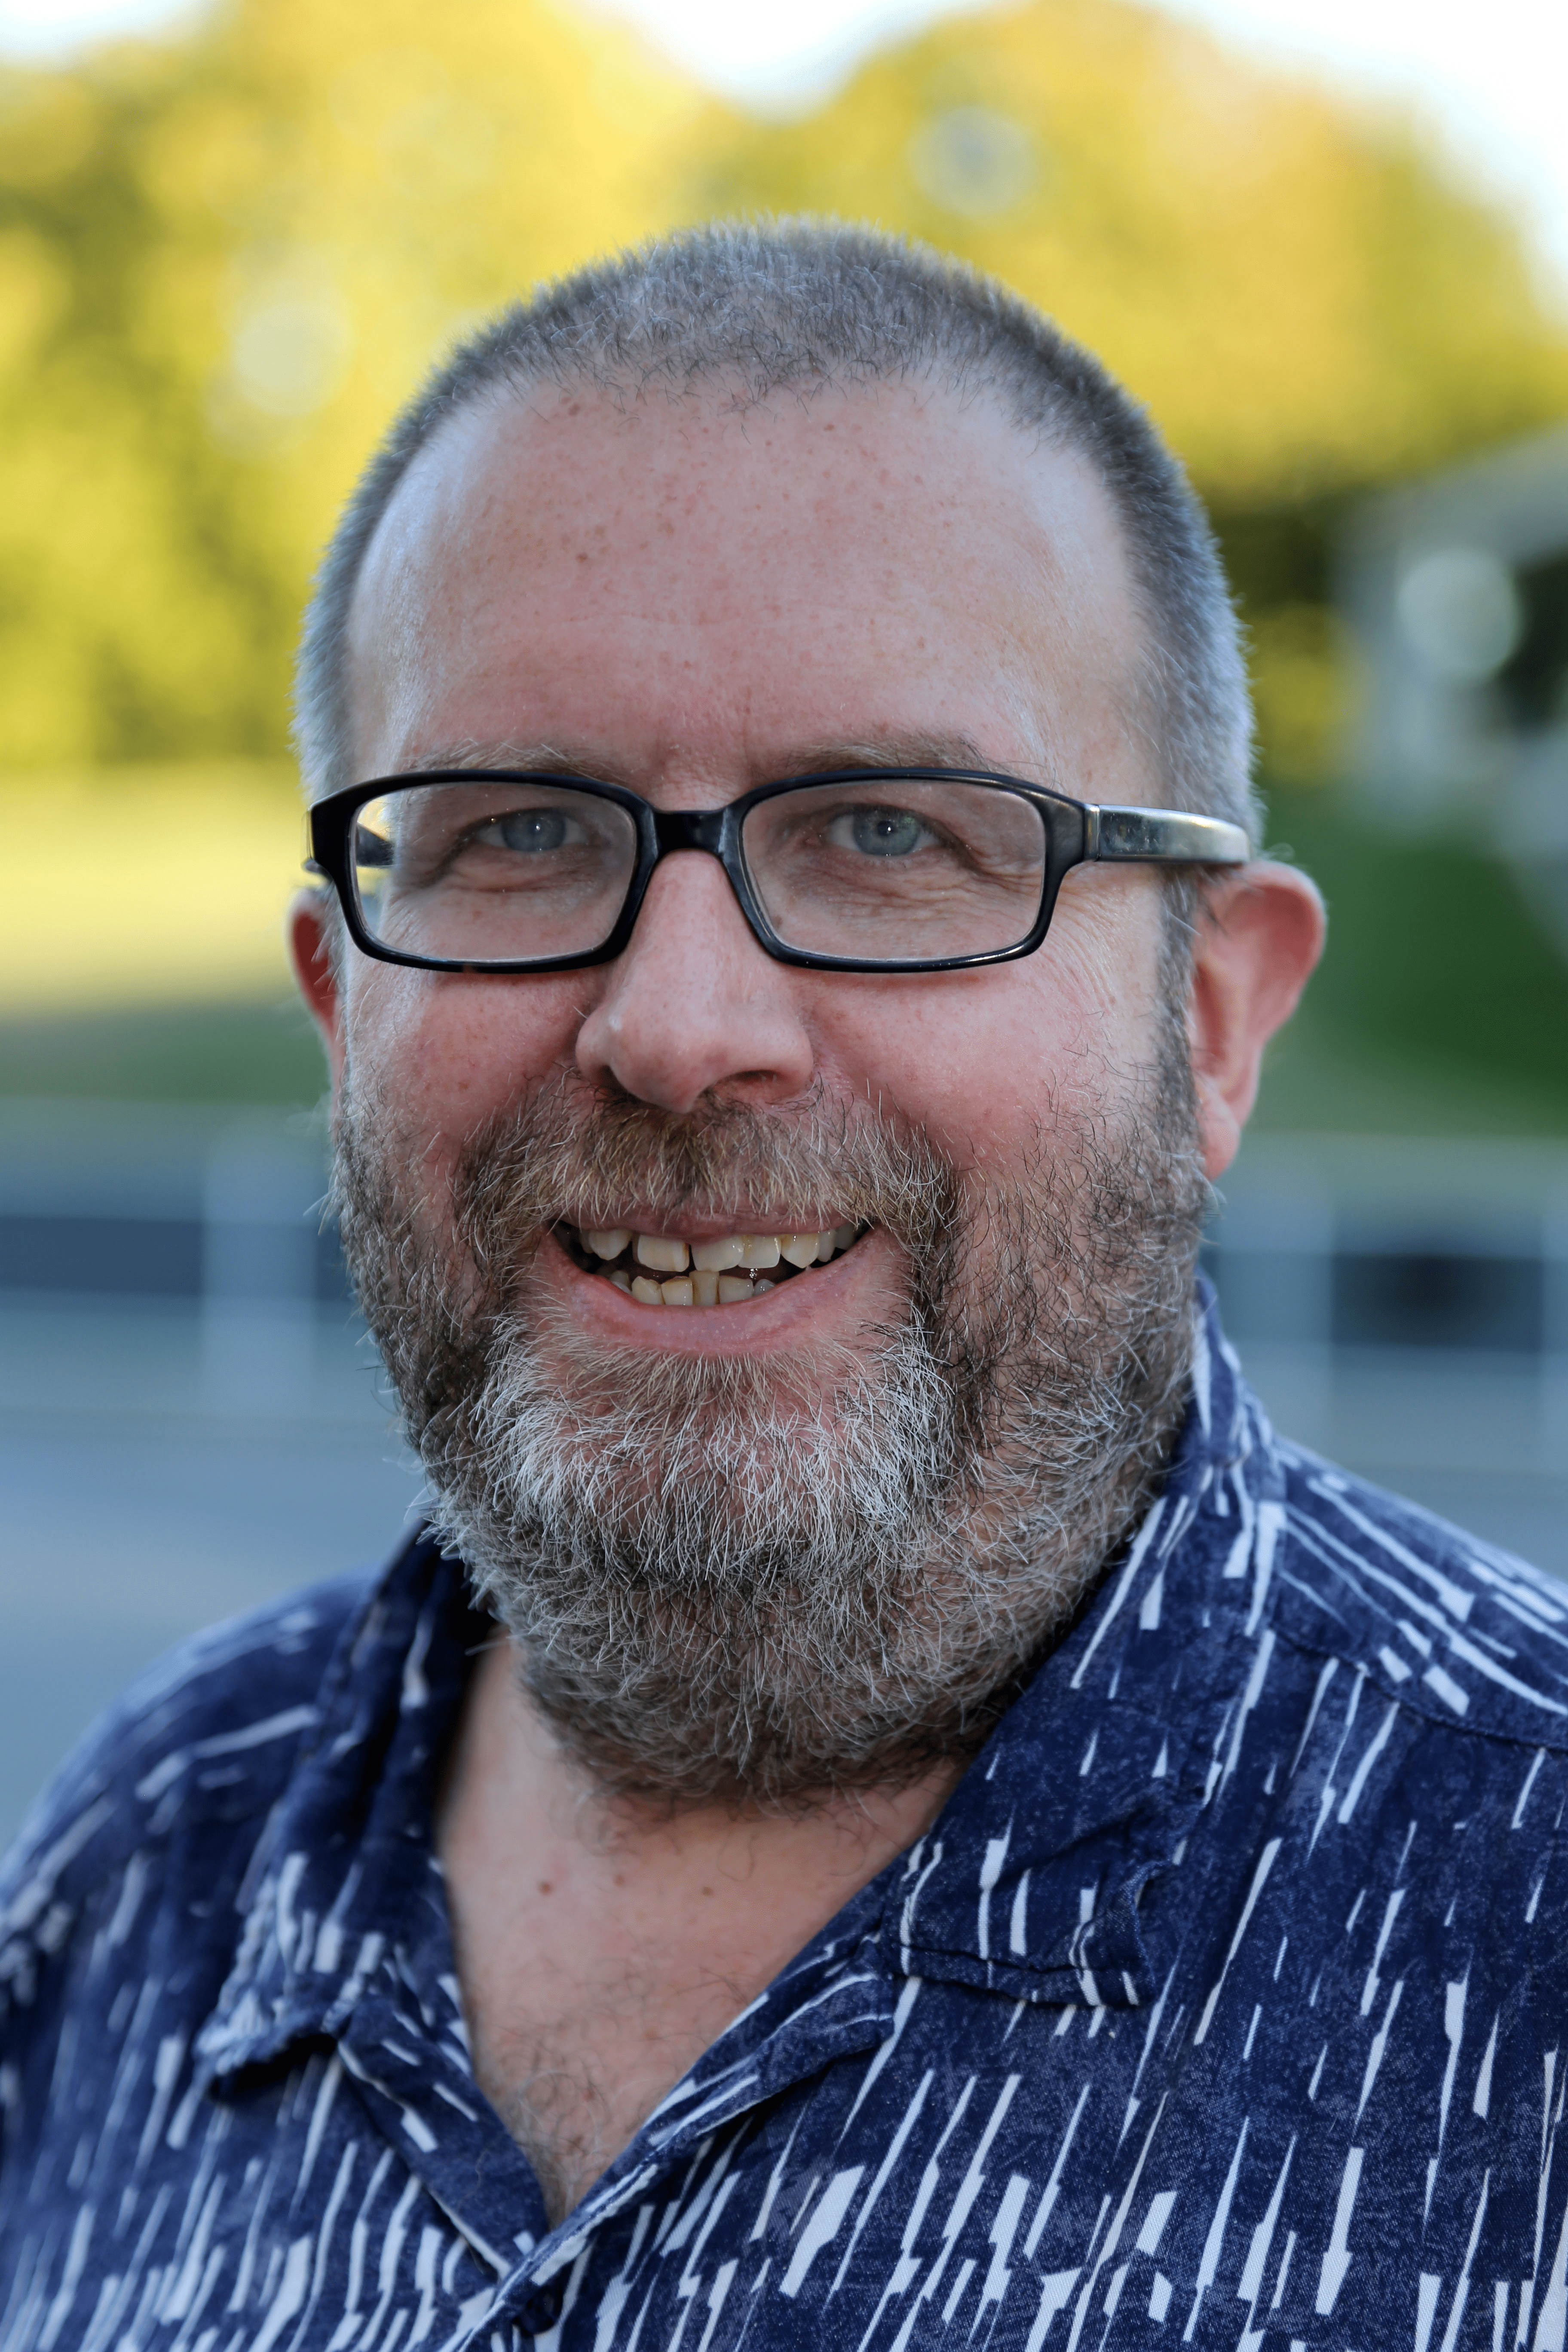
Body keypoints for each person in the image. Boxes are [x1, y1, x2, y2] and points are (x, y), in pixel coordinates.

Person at [2, 222, 1563, 2352]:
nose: (679, 1026)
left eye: (892, 834)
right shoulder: (141, 1864)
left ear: (1211, 1020)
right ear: (341, 1007)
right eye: (519, 833)